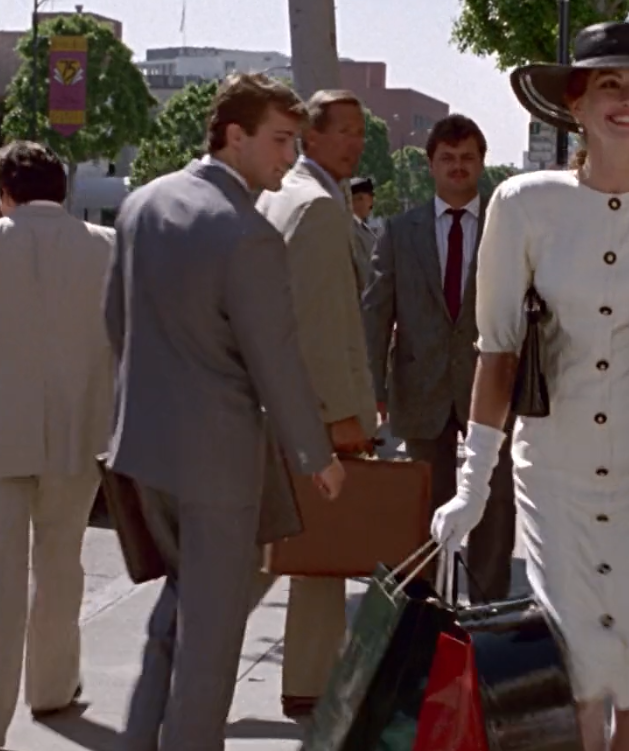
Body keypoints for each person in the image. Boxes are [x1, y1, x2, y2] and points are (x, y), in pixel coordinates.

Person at [427, 21, 629, 750]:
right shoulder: (522, 204)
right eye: (610, 84)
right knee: (572, 680)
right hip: (557, 476)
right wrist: (473, 485)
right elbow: (499, 351)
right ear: (575, 103)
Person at [106, 73, 344, 751]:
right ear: (234, 136)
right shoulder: (247, 232)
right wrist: (316, 454)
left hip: (141, 446)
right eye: (280, 140)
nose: (290, 157)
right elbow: (276, 357)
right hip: (217, 461)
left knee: (176, 616)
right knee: (209, 642)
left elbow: (115, 322)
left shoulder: (141, 204)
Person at [0, 142, 115, 751]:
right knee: (62, 564)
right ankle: (53, 686)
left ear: (3, 193)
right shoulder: (107, 247)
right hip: (79, 432)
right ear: (63, 189)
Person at [254, 88, 377, 719]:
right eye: (345, 130)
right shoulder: (320, 208)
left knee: (297, 549)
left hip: (276, 401)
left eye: (360, 131)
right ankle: (308, 682)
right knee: (308, 550)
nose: (357, 142)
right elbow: (324, 325)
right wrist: (343, 414)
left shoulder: (281, 195)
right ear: (312, 135)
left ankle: (310, 681)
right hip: (312, 410)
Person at [363, 114, 516, 601]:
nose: (457, 166)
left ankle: (488, 609)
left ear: (481, 163)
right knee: (425, 505)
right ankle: (427, 610)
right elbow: (375, 314)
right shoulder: (399, 231)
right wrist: (372, 391)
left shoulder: (507, 228)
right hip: (420, 386)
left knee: (495, 502)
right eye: (447, 158)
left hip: (491, 388)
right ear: (430, 164)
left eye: (467, 157)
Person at [350, 175, 379, 289]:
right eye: (370, 198)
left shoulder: (362, 227)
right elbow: (364, 273)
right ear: (359, 199)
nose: (371, 204)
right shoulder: (351, 229)